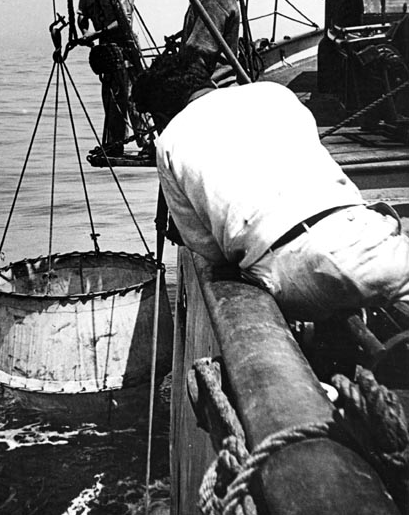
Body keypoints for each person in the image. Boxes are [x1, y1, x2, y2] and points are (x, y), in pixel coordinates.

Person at [132, 56, 409, 321]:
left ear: (160, 114)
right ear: (207, 80)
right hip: (361, 235)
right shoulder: (275, 93)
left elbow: (207, 248)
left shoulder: (168, 142)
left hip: (289, 274)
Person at [77, 0, 137, 156]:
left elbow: (122, 22)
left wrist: (94, 34)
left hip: (126, 49)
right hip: (105, 51)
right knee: (110, 98)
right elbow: (82, 15)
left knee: (131, 97)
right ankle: (114, 144)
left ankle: (147, 143)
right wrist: (84, 32)